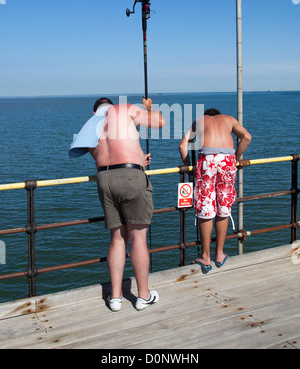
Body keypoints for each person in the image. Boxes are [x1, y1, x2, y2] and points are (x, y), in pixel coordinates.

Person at [84, 96, 165, 311]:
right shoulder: (123, 109)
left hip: (105, 179)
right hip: (131, 177)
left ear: (95, 112)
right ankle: (143, 296)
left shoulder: (91, 125)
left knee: (117, 238)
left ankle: (116, 298)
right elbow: (160, 122)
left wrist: (138, 157)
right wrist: (149, 108)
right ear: (112, 107)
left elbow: (105, 155)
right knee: (138, 238)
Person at [179, 108, 251, 272]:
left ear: (206, 116)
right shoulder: (229, 119)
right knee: (223, 208)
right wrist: (236, 158)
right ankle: (219, 254)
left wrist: (190, 167)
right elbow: (247, 137)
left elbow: (183, 145)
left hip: (207, 160)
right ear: (219, 115)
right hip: (227, 160)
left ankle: (205, 257)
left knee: (206, 208)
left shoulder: (199, 120)